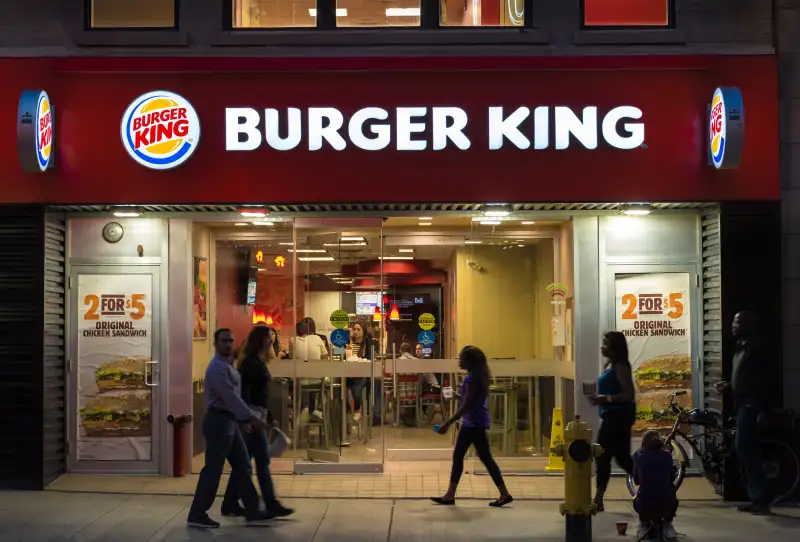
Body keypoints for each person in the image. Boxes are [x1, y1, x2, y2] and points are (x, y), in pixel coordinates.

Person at [187, 328, 274, 529]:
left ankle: (253, 510)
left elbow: (235, 398)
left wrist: (242, 420)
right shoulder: (217, 368)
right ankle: (197, 513)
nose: (228, 344)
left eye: (231, 341)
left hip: (230, 422)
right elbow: (230, 398)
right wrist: (251, 417)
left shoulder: (229, 366)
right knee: (213, 469)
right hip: (218, 422)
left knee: (243, 465)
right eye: (224, 341)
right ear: (216, 344)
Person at [220, 326, 294, 519]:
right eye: (269, 337)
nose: (272, 340)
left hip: (256, 415)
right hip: (252, 416)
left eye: (272, 337)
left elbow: (260, 395)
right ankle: (270, 503)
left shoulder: (257, 361)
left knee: (246, 462)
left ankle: (230, 502)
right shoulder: (251, 364)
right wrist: (248, 419)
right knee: (261, 461)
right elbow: (245, 394)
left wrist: (269, 418)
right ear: (259, 340)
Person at [431, 346, 513, 507]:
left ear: (469, 361)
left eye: (461, 358)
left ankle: (503, 493)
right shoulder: (476, 377)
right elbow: (470, 400)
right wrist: (457, 396)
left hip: (473, 423)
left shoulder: (472, 379)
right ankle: (451, 495)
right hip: (475, 422)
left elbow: (467, 405)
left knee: (477, 458)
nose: (459, 361)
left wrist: (447, 423)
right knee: (478, 457)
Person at [715, 311, 771, 515]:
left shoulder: (757, 348)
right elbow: (745, 378)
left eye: (737, 322)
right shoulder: (740, 348)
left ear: (748, 324)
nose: (733, 325)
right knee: (742, 450)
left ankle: (761, 499)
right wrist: (729, 386)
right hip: (741, 403)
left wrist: (763, 409)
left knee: (746, 449)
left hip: (752, 404)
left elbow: (764, 381)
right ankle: (756, 497)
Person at [590, 330, 636, 512]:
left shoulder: (621, 367)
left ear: (615, 347)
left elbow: (628, 394)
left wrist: (606, 399)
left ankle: (598, 499)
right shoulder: (611, 365)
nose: (602, 347)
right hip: (612, 415)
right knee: (621, 458)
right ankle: (653, 484)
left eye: (606, 344)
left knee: (603, 456)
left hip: (618, 417)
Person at [633, 430, 679, 539]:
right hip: (666, 506)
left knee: (637, 499)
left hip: (645, 506)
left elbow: (636, 481)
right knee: (672, 493)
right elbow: (671, 478)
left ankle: (643, 525)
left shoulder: (638, 456)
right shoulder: (667, 456)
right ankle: (668, 525)